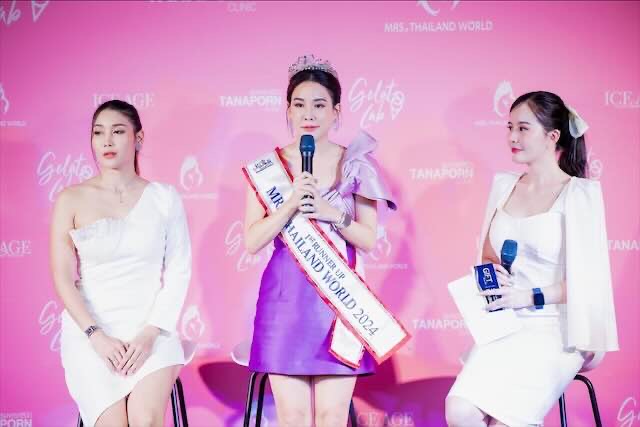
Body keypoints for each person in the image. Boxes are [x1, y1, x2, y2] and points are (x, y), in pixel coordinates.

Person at [243, 54, 399, 427]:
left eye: (319, 105)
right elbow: (251, 240)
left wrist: (333, 214)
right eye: (299, 105)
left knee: (332, 416)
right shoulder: (266, 169)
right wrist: (289, 206)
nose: (308, 114)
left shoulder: (357, 164)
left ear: (335, 111)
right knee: (293, 417)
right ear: (288, 110)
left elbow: (368, 239)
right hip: (284, 302)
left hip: (338, 303)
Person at [445, 91, 619, 427]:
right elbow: (488, 255)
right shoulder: (504, 186)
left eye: (523, 128)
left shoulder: (579, 194)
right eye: (509, 127)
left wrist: (528, 296)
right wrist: (492, 275)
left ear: (552, 136)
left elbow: (588, 282)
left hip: (558, 328)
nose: (512, 137)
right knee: (460, 411)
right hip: (507, 323)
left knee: (507, 421)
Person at [50, 100, 192, 427]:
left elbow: (179, 270)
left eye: (117, 131)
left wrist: (150, 333)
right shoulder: (70, 199)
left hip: (151, 328)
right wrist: (95, 335)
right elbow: (62, 276)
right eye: (98, 133)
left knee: (146, 419)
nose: (107, 141)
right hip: (90, 332)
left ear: (138, 138)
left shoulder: (164, 197)